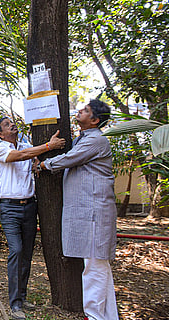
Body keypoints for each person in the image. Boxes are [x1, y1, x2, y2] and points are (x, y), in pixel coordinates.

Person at [35, 100, 118, 320]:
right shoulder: (85, 139)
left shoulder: (96, 140)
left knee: (94, 265)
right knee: (97, 265)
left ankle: (93, 316)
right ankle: (106, 316)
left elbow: (70, 159)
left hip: (95, 211)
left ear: (95, 120)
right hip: (90, 210)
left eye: (85, 111)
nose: (79, 111)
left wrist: (43, 164)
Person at [0, 117, 65, 320]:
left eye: (11, 122)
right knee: (15, 251)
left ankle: (22, 298)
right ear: (0, 134)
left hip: (30, 207)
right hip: (9, 208)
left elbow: (31, 156)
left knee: (26, 255)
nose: (12, 125)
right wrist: (49, 145)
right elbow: (22, 155)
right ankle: (14, 304)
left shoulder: (27, 146)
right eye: (6, 125)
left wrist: (38, 163)